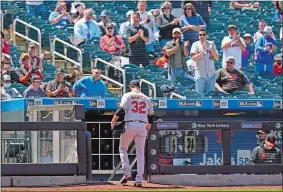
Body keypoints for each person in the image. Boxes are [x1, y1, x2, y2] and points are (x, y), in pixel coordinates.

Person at [110, 80, 154, 187]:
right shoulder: (146, 98)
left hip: (130, 124)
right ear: (139, 87)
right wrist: (148, 125)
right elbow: (151, 116)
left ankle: (127, 173)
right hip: (142, 125)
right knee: (140, 153)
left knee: (122, 148)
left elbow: (121, 110)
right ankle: (138, 180)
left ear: (130, 87)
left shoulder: (128, 95)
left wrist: (113, 121)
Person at [191, 29, 219, 95]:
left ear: (206, 35)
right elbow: (194, 58)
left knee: (210, 96)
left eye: (204, 34)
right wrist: (203, 51)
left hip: (211, 75)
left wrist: (212, 49)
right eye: (200, 35)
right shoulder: (195, 44)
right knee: (199, 96)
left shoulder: (211, 44)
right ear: (198, 36)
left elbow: (217, 58)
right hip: (200, 75)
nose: (202, 36)